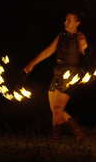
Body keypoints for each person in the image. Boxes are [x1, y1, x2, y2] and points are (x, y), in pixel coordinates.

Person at [23, 11, 88, 140]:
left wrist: (84, 47)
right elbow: (48, 51)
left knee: (58, 108)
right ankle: (76, 132)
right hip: (57, 74)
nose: (65, 22)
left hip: (70, 76)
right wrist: (32, 63)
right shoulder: (61, 36)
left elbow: (85, 51)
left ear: (77, 23)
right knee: (56, 110)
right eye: (65, 20)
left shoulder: (80, 37)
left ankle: (60, 135)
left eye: (69, 20)